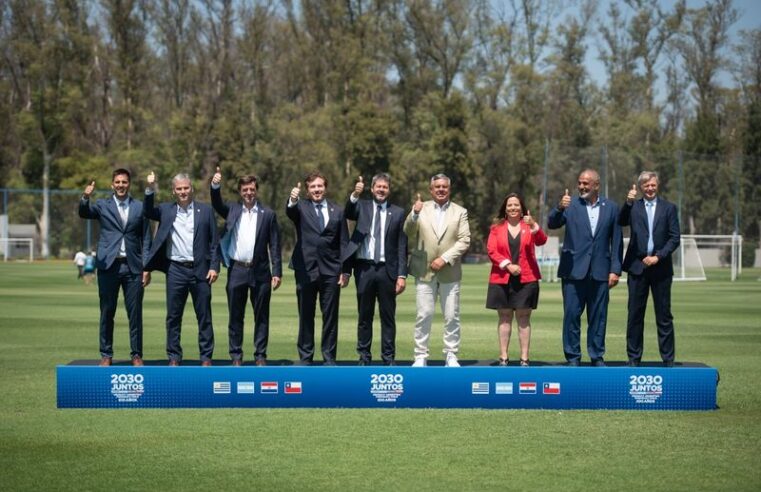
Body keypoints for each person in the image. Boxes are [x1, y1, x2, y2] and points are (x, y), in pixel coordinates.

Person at [547, 169, 623, 366]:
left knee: (598, 318)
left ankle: (596, 356)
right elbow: (552, 223)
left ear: (596, 185)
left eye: (586, 183)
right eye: (579, 183)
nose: (581, 187)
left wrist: (615, 270)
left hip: (600, 272)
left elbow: (617, 241)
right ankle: (573, 357)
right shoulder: (570, 204)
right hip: (573, 271)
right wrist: (559, 208)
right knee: (571, 316)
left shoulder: (612, 208)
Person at [143, 172, 219, 366]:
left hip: (200, 270)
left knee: (204, 316)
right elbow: (147, 211)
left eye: (186, 188)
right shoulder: (166, 210)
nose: (183, 192)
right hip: (175, 269)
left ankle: (206, 357)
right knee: (173, 316)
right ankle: (174, 356)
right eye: (179, 189)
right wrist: (150, 188)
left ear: (191, 188)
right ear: (173, 191)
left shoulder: (206, 210)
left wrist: (214, 266)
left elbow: (214, 242)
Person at [78, 169, 152, 366]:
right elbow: (84, 212)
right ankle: (106, 354)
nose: (121, 185)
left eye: (124, 182)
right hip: (108, 266)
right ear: (112, 185)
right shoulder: (102, 205)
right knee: (107, 312)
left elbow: (146, 238)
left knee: (135, 314)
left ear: (129, 184)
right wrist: (86, 196)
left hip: (133, 267)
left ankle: (136, 355)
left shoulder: (139, 207)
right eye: (117, 182)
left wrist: (147, 267)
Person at [211, 167, 282, 366]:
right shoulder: (232, 210)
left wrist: (277, 271)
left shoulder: (268, 214)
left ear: (256, 190)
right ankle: (236, 356)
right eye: (245, 190)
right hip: (237, 270)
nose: (248, 193)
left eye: (251, 189)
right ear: (240, 192)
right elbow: (216, 203)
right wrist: (215, 185)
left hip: (260, 271)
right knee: (235, 316)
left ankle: (260, 356)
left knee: (261, 316)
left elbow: (274, 244)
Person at [404, 173, 471, 367]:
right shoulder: (420, 208)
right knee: (423, 314)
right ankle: (420, 355)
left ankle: (451, 354)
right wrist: (414, 213)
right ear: (430, 190)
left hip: (449, 270)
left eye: (444, 187)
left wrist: (444, 258)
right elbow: (408, 231)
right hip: (423, 270)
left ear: (449, 189)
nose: (441, 189)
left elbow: (464, 240)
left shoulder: (460, 211)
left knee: (451, 315)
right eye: (437, 187)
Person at [343, 173, 408, 366]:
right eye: (378, 186)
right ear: (372, 189)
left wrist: (402, 274)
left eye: (385, 187)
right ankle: (364, 356)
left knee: (388, 317)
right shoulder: (361, 206)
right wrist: (355, 194)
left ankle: (388, 358)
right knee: (365, 316)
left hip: (388, 270)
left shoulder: (397, 212)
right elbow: (348, 211)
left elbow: (402, 245)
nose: (381, 190)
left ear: (389, 190)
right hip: (364, 268)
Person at [286, 171, 350, 365]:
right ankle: (306, 357)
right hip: (306, 269)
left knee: (330, 317)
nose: (317, 190)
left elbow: (344, 242)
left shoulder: (337, 210)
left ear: (325, 187)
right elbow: (290, 211)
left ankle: (329, 358)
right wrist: (292, 199)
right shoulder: (301, 207)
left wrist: (346, 270)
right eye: (313, 187)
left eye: (320, 186)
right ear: (307, 190)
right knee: (306, 315)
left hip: (331, 271)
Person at [618, 171, 680, 367]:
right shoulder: (634, 207)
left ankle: (668, 359)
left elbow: (674, 238)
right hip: (637, 268)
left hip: (661, 269)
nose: (650, 188)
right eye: (646, 186)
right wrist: (627, 203)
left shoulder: (669, 208)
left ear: (657, 185)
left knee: (664, 316)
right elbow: (621, 221)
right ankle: (634, 358)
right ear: (641, 188)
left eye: (653, 185)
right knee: (635, 315)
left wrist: (658, 257)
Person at [486, 193, 547, 367]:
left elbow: (542, 241)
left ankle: (524, 358)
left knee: (524, 317)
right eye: (510, 205)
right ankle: (503, 357)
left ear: (522, 208)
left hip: (527, 278)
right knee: (504, 317)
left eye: (516, 205)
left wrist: (534, 225)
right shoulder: (496, 228)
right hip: (502, 278)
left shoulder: (529, 226)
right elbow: (491, 250)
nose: (513, 208)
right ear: (505, 209)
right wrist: (507, 265)